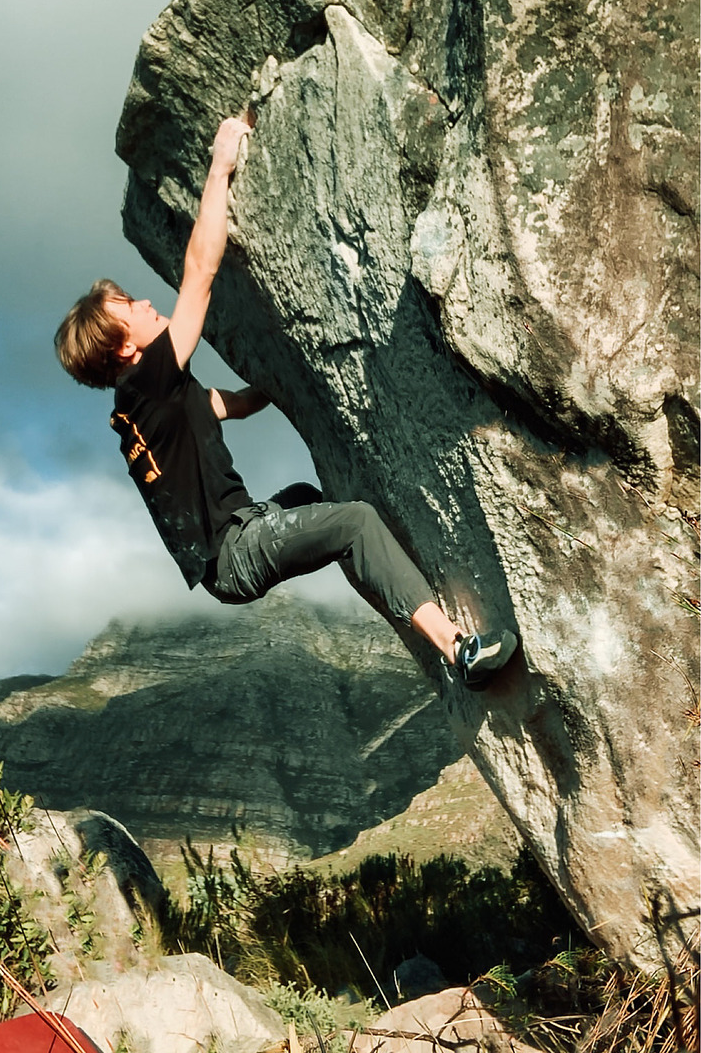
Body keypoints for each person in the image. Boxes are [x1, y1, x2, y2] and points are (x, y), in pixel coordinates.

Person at [54, 117, 516, 690]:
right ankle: (457, 650)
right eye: (132, 306)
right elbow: (199, 274)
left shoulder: (151, 404)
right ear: (124, 347)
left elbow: (238, 405)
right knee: (356, 520)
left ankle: (395, 590)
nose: (148, 303)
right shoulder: (150, 379)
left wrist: (299, 366)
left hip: (248, 531)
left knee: (310, 499)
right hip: (237, 551)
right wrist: (220, 166)